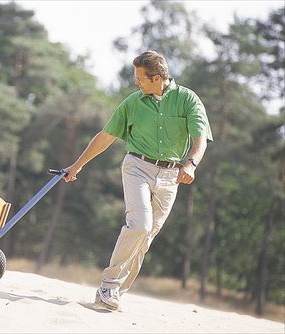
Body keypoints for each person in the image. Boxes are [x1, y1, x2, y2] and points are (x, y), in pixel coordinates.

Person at [64, 50, 213, 311]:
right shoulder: (133, 102)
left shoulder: (188, 99)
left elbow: (200, 138)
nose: (136, 83)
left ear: (157, 78)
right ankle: (109, 284)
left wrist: (191, 163)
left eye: (140, 78)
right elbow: (106, 136)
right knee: (140, 225)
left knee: (145, 239)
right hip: (137, 168)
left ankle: (113, 293)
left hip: (170, 176)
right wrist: (77, 166)